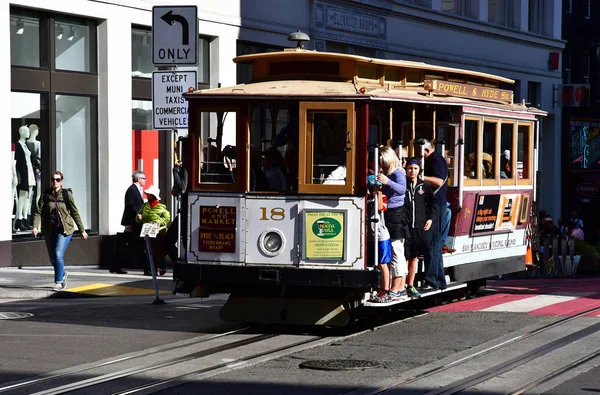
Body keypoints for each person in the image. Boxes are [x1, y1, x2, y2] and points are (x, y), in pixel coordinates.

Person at [32, 171, 88, 291]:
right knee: (52, 257)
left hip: (65, 229)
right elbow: (38, 211)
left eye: (57, 180)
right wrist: (35, 227)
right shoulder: (45, 195)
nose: (55, 182)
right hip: (49, 229)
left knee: (58, 254)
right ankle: (62, 273)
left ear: (61, 181)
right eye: (53, 180)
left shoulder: (67, 195)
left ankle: (58, 282)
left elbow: (74, 212)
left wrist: (82, 230)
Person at [375, 146, 409, 301]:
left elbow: (402, 189)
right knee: (394, 249)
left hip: (396, 213)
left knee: (396, 249)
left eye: (384, 163)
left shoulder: (398, 172)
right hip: (388, 211)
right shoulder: (390, 172)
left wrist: (387, 181)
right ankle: (399, 288)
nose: (382, 166)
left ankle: (397, 288)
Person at [416, 138, 448, 291]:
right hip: (434, 204)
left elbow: (439, 181)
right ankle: (440, 281)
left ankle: (432, 281)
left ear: (426, 150)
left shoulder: (435, 160)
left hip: (436, 205)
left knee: (432, 243)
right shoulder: (434, 159)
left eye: (418, 151)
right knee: (434, 243)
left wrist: (420, 178)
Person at [404, 157, 437, 298]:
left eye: (415, 168)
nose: (412, 171)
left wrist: (430, 219)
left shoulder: (424, 186)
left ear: (419, 170)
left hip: (419, 226)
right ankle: (401, 285)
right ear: (406, 169)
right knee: (403, 257)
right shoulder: (402, 184)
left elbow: (432, 204)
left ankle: (410, 285)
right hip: (404, 225)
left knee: (414, 257)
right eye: (410, 168)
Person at [136, 185, 170, 276]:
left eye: (149, 194)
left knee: (158, 251)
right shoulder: (145, 205)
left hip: (158, 233)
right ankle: (152, 269)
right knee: (148, 251)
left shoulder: (161, 207)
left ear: (153, 195)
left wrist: (158, 221)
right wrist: (139, 217)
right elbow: (139, 215)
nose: (147, 195)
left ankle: (162, 267)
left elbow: (167, 218)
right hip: (147, 232)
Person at [117, 170, 147, 274]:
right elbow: (129, 207)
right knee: (135, 245)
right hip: (133, 223)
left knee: (134, 245)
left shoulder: (137, 190)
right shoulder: (132, 190)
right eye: (144, 179)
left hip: (136, 223)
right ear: (139, 179)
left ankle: (116, 266)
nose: (145, 181)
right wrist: (128, 224)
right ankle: (146, 268)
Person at [14, 125, 35, 231]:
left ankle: (25, 218)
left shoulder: (25, 145)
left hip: (29, 171)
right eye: (26, 131)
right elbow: (17, 161)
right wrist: (17, 175)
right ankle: (19, 219)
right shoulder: (17, 145)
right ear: (21, 132)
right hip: (23, 173)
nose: (28, 133)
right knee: (22, 196)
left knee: (28, 196)